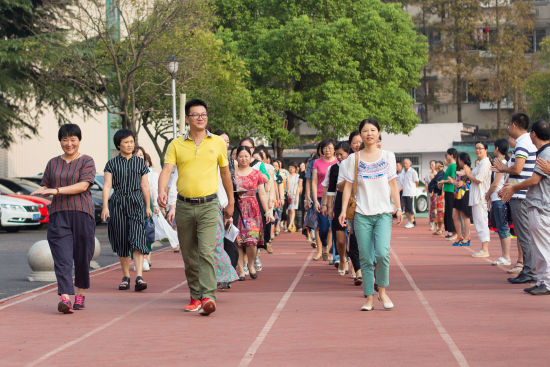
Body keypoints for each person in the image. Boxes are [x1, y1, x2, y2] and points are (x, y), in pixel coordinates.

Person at [158, 99, 234, 316]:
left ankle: (209, 296)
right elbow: (166, 170)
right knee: (189, 254)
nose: (201, 118)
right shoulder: (176, 144)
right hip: (184, 206)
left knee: (206, 251)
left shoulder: (217, 142)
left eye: (204, 114)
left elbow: (226, 173)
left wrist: (231, 201)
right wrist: (162, 191)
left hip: (210, 205)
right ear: (188, 119)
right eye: (196, 114)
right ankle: (195, 295)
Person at [339, 118, 402, 311]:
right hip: (361, 214)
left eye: (373, 130)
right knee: (365, 257)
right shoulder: (353, 159)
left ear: (379, 133)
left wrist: (398, 207)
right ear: (360, 135)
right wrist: (343, 211)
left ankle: (382, 291)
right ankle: (369, 298)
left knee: (382, 254)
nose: (369, 134)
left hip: (383, 212)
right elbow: (348, 186)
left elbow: (392, 183)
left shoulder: (388, 156)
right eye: (365, 131)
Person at [32, 124, 96, 313]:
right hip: (59, 215)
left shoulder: (87, 161)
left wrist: (56, 190)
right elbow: (45, 185)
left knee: (83, 258)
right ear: (60, 141)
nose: (69, 144)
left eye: (72, 139)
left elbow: (83, 186)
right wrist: (42, 190)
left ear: (79, 140)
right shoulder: (53, 163)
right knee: (62, 258)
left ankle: (80, 293)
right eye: (65, 140)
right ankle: (65, 298)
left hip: (82, 214)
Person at [499, 120, 550, 295]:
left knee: (542, 246)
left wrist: (513, 187)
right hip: (539, 203)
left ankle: (544, 281)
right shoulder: (542, 151)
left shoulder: (546, 152)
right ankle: (542, 280)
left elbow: (535, 179)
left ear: (533, 134)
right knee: (540, 246)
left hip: (541, 206)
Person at [102, 129, 151, 292]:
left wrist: (148, 206)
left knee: (137, 238)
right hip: (118, 203)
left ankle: (139, 276)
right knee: (122, 240)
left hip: (136, 203)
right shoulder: (111, 164)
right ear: (118, 145)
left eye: (131, 142)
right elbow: (107, 185)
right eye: (126, 142)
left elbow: (145, 185)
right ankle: (125, 276)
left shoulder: (140, 163)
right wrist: (105, 207)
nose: (130, 145)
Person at [493, 112, 537, 284]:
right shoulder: (526, 142)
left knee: (524, 234)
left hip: (521, 195)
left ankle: (529, 271)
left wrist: (504, 169)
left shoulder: (523, 143)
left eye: (509, 125)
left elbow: (518, 169)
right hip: (521, 192)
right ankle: (529, 269)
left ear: (514, 125)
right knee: (524, 234)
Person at [234, 146, 273, 280]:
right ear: (236, 158)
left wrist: (267, 211)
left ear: (250, 158)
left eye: (246, 156)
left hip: (253, 209)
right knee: (238, 241)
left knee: (252, 240)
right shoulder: (233, 173)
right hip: (237, 208)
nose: (243, 159)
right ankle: (241, 269)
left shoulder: (256, 174)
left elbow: (261, 193)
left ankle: (250, 264)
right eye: (240, 156)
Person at [212, 130, 239, 289]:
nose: (225, 144)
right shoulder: (210, 160)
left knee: (226, 241)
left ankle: (227, 273)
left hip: (227, 203)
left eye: (227, 141)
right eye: (222, 141)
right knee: (214, 243)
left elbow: (228, 183)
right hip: (214, 203)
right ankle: (215, 276)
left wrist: (229, 204)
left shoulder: (230, 161)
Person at [485, 139, 512, 266]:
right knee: (501, 227)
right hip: (497, 198)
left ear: (496, 148)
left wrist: (488, 194)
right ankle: (504, 256)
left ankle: (506, 256)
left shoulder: (502, 162)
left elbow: (496, 183)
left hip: (499, 199)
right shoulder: (503, 162)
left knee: (503, 227)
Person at [463, 142, 492, 257]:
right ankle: (483, 248)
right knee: (478, 222)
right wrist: (463, 173)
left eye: (480, 148)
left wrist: (467, 173)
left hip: (481, 196)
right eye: (476, 148)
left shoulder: (485, 163)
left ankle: (485, 249)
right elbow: (471, 175)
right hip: (476, 196)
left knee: (482, 222)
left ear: (486, 150)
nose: (478, 150)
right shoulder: (480, 163)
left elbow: (478, 179)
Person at [326, 141, 350, 276]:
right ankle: (342, 257)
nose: (339, 157)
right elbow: (331, 189)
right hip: (339, 204)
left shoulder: (355, 166)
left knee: (354, 238)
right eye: (337, 154)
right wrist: (329, 206)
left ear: (348, 153)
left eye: (341, 154)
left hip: (354, 204)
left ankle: (356, 266)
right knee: (340, 239)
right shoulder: (334, 168)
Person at [312, 138, 338, 261]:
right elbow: (314, 181)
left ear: (334, 149)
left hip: (334, 197)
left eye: (330, 148)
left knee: (332, 225)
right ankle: (324, 245)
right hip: (320, 197)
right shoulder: (317, 162)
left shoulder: (338, 162)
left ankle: (328, 251)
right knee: (322, 226)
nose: (327, 150)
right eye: (325, 148)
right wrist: (315, 200)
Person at [134, 146, 158, 271]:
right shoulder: (129, 169)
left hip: (145, 205)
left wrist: (153, 206)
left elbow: (151, 189)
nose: (139, 157)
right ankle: (139, 259)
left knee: (146, 231)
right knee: (134, 233)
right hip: (131, 205)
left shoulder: (148, 172)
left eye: (141, 155)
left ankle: (145, 257)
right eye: (137, 155)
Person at [450, 152, 472, 246]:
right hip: (458, 194)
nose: (458, 161)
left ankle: (467, 237)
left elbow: (466, 182)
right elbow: (458, 183)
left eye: (459, 159)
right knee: (455, 215)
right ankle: (460, 236)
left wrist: (456, 181)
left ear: (462, 160)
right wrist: (452, 181)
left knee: (464, 216)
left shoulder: (467, 169)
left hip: (465, 194)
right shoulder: (461, 169)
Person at [438, 148, 458, 240]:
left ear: (452, 155)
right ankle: (450, 231)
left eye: (448, 155)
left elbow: (453, 180)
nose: (447, 156)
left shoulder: (453, 165)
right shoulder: (450, 166)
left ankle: (454, 232)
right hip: (447, 190)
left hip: (451, 191)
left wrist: (443, 181)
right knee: (448, 212)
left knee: (450, 212)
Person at [428, 161, 445, 235]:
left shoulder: (442, 174)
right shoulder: (437, 174)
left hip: (440, 195)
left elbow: (438, 184)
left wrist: (433, 183)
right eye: (436, 166)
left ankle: (441, 228)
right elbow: (432, 184)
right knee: (435, 213)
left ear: (442, 167)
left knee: (440, 212)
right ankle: (437, 228)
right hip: (435, 195)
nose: (438, 167)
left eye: (440, 166)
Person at [401, 158, 419, 229]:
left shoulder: (413, 171)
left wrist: (412, 188)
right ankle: (410, 220)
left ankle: (411, 222)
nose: (405, 164)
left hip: (411, 193)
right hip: (404, 193)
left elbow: (417, 182)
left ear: (410, 164)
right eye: (404, 163)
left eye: (406, 163)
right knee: (405, 210)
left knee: (411, 209)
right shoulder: (402, 172)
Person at [286, 162, 301, 232]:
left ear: (295, 169)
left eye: (292, 167)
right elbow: (288, 185)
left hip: (295, 195)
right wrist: (288, 192)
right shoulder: (288, 176)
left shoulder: (298, 176)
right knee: (289, 210)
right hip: (289, 195)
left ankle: (290, 225)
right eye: (290, 167)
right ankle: (293, 225)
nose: (291, 169)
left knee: (292, 209)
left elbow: (298, 187)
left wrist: (296, 197)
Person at [425, 160, 437, 231]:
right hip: (430, 193)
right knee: (430, 208)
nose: (431, 166)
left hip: (436, 194)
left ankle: (437, 224)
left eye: (432, 164)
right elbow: (426, 183)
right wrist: (427, 186)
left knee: (436, 209)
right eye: (430, 165)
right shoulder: (427, 174)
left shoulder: (438, 174)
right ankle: (432, 224)